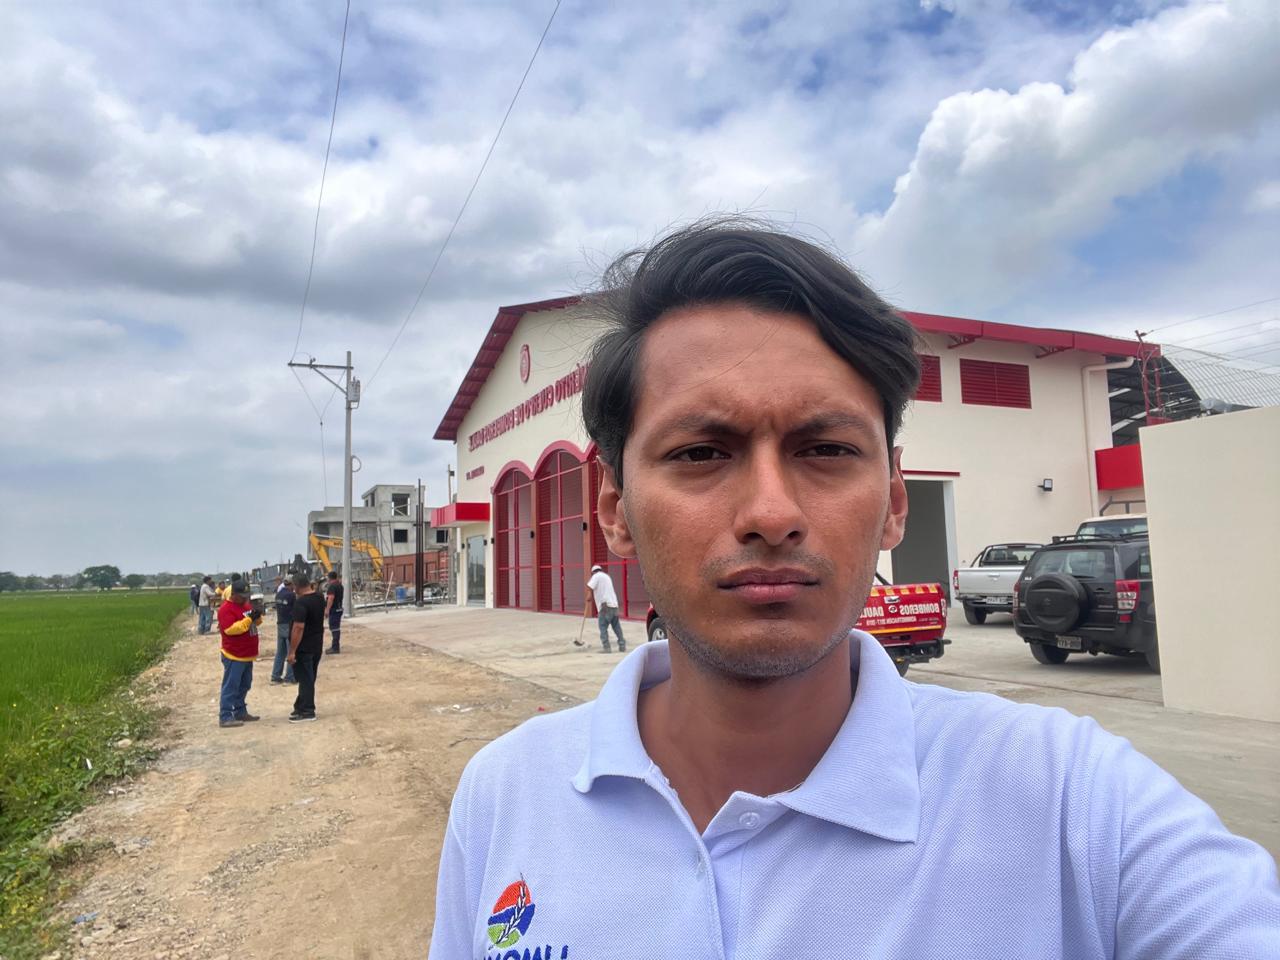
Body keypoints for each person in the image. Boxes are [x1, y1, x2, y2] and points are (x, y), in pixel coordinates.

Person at [428, 221, 1280, 957]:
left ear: (894, 503)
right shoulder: (505, 796)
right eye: (701, 453)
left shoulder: (1074, 803)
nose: (771, 513)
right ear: (615, 512)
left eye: (827, 450)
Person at [216, 580, 263, 728]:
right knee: (231, 686)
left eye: (246, 595)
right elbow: (231, 629)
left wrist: (257, 617)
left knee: (245, 684)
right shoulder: (225, 609)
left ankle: (240, 711)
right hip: (234, 654)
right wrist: (248, 619)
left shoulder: (246, 605)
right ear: (234, 594)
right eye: (242, 596)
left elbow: (254, 623)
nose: (245, 598)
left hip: (247, 654)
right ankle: (225, 716)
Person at [286, 572, 325, 723]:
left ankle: (308, 711)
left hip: (304, 647)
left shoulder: (301, 603)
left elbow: (298, 627)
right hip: (316, 645)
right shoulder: (319, 598)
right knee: (309, 678)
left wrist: (292, 651)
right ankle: (300, 706)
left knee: (305, 679)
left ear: (296, 586)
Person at [586, 564, 625, 653]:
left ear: (593, 572)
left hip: (605, 605)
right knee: (616, 627)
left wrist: (589, 595)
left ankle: (606, 647)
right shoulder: (607, 577)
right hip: (614, 605)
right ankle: (622, 645)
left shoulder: (596, 576)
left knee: (603, 627)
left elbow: (590, 586)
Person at [271, 576, 297, 685]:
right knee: (291, 652)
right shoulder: (292, 595)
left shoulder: (279, 594)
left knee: (280, 652)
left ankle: (275, 676)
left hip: (280, 624)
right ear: (291, 584)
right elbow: (296, 610)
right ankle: (289, 678)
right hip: (289, 625)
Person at [324, 570, 344, 654]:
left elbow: (331, 598)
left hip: (334, 609)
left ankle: (335, 647)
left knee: (334, 628)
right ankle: (335, 646)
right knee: (336, 627)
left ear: (329, 578)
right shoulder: (340, 585)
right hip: (339, 608)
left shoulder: (332, 586)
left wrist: (327, 610)